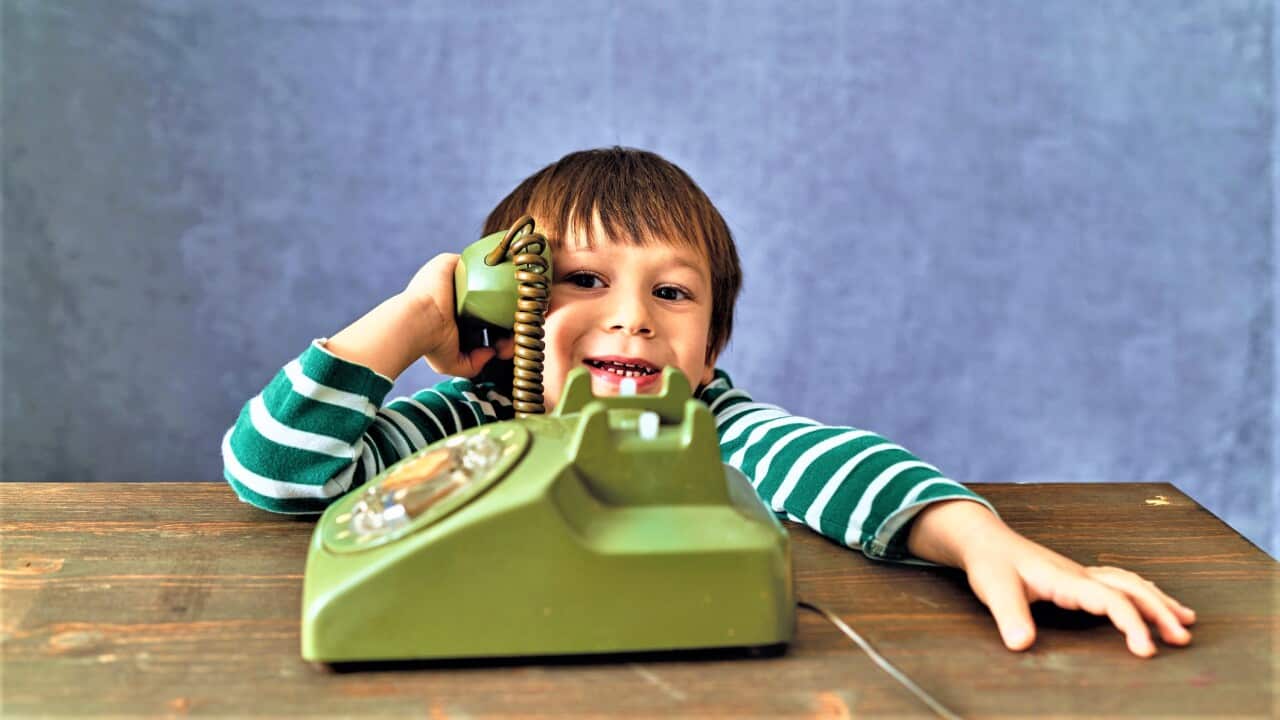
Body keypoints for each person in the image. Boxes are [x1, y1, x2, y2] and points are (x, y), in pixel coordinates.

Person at [222, 146, 1195, 658]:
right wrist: (413, 316)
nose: (632, 320)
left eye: (672, 293)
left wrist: (980, 541)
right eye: (580, 282)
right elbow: (275, 475)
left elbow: (830, 464)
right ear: (504, 306)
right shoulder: (466, 420)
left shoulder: (704, 423)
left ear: (711, 343)